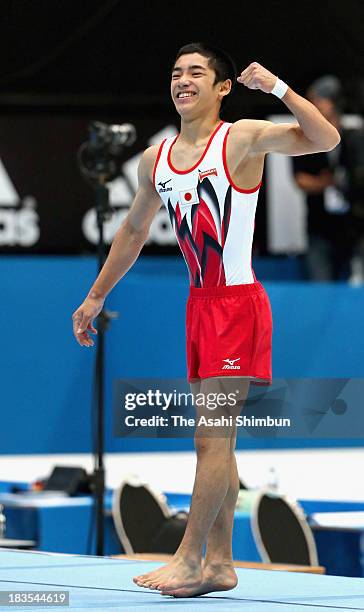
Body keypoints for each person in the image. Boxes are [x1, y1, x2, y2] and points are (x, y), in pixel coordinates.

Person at [72, 42, 340, 597]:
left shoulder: (240, 137)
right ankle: (219, 563)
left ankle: (190, 558)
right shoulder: (157, 160)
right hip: (200, 308)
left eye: (197, 72)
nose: (183, 80)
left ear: (222, 88)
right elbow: (133, 231)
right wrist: (95, 296)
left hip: (238, 305)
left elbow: (324, 139)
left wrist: (278, 89)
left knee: (210, 437)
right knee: (220, 441)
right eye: (175, 73)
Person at [291, 75, 361, 281]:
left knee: (354, 286)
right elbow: (300, 179)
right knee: (321, 283)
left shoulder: (354, 138)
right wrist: (325, 182)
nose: (312, 107)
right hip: (320, 226)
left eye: (318, 101)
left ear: (333, 102)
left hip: (354, 226)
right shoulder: (303, 137)